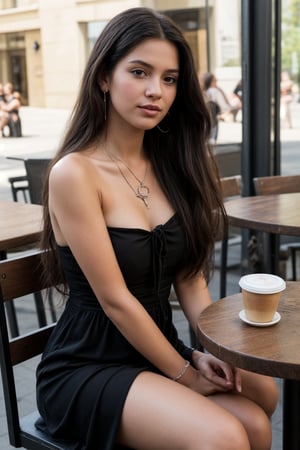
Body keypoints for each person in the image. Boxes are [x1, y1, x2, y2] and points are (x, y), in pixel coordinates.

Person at [36, 7, 278, 450]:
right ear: (104, 77)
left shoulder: (170, 165)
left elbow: (189, 281)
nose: (156, 91)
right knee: (223, 436)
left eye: (169, 79)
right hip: (88, 364)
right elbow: (115, 301)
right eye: (140, 72)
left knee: (260, 404)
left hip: (155, 346)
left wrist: (212, 352)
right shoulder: (75, 173)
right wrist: (185, 373)